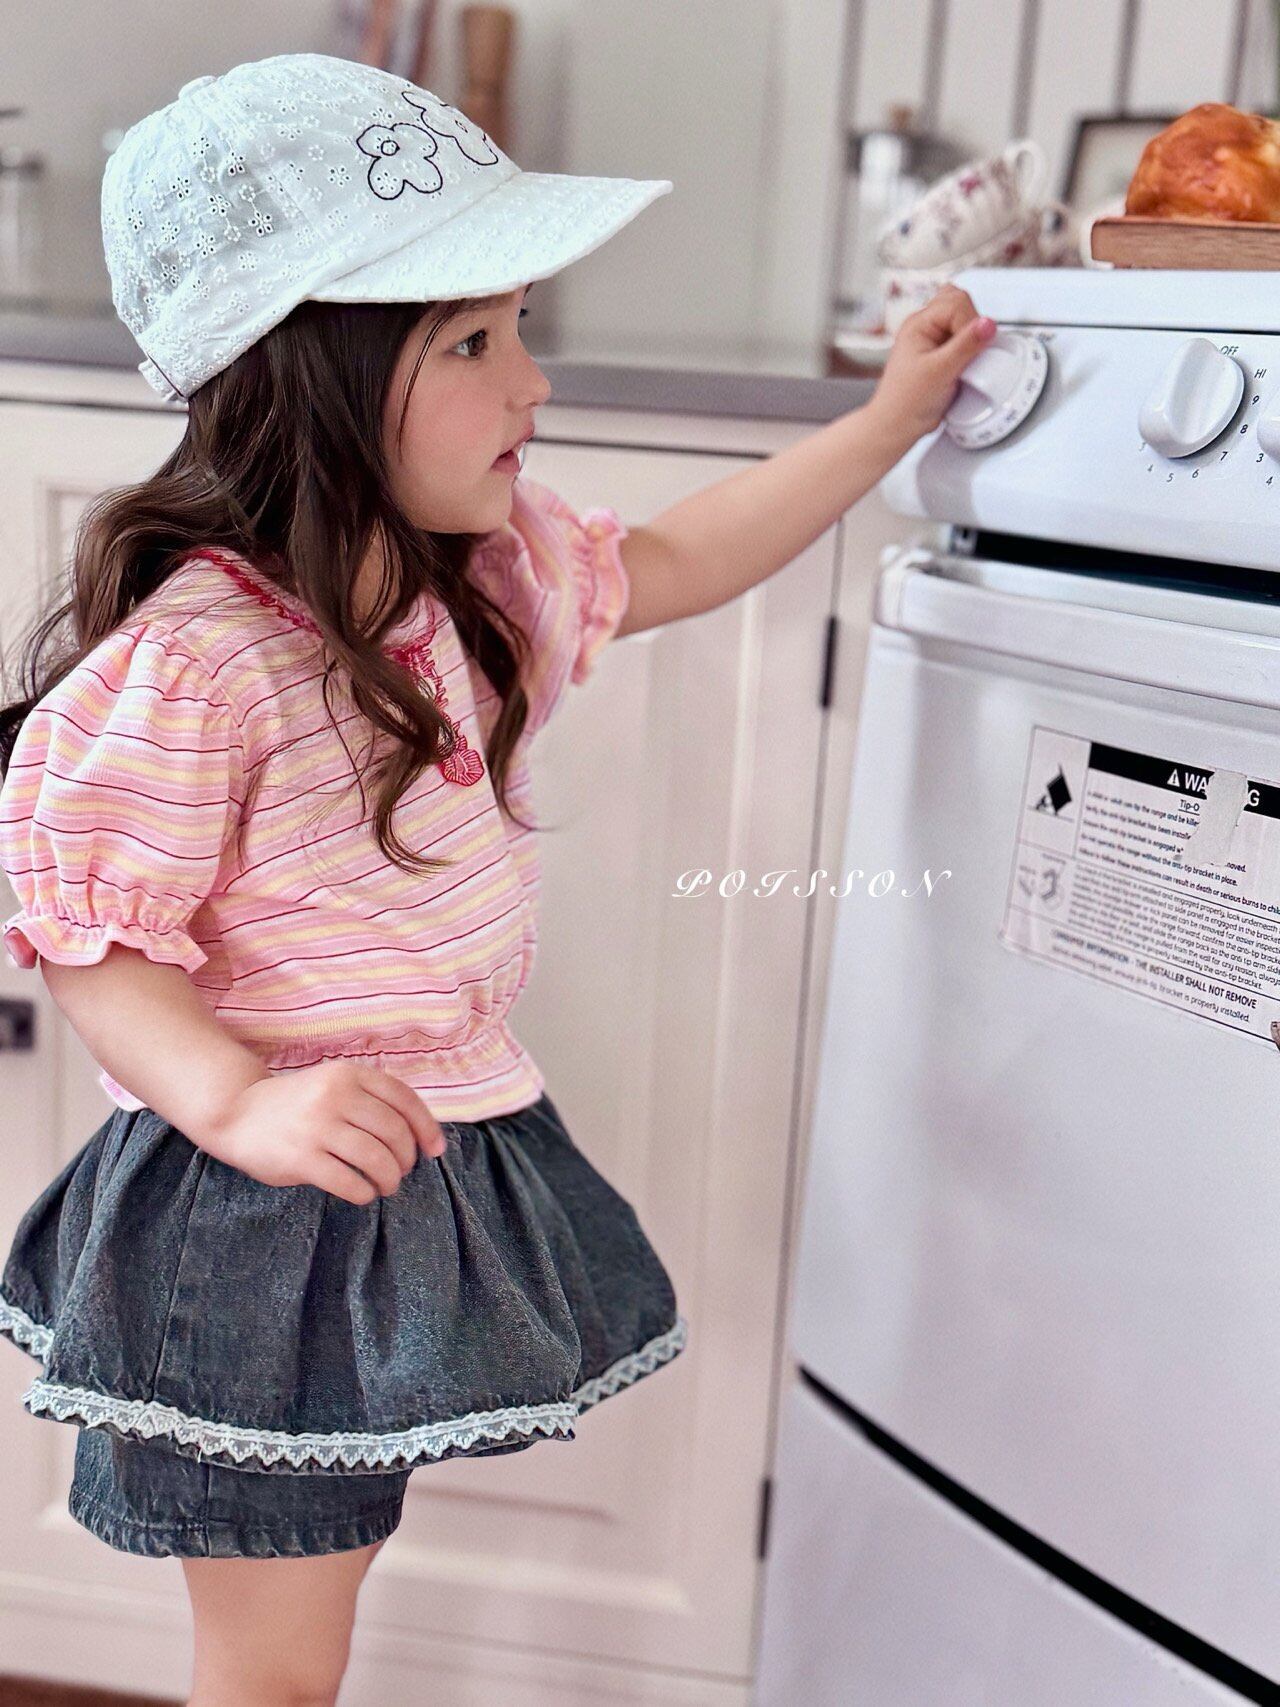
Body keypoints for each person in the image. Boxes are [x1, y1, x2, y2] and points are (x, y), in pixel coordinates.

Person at [0, 51, 995, 1707]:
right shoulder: (201, 662)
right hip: (261, 1215)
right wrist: (236, 1102)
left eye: (518, 326)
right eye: (472, 343)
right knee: (272, 1667)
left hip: (403, 1167)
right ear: (305, 373)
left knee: (314, 1623)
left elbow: (680, 557)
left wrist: (888, 424)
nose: (532, 383)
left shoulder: (471, 581)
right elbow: (99, 938)